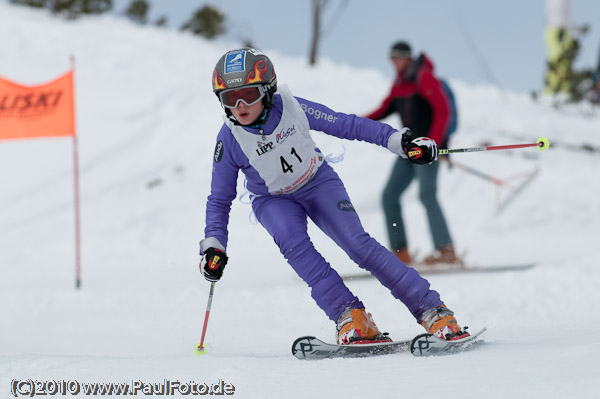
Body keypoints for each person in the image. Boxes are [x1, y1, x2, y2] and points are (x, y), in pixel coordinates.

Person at [199, 47, 469, 345]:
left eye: (248, 94)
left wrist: (398, 141)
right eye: (228, 98)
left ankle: (432, 309)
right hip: (274, 200)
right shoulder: (229, 139)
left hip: (317, 182)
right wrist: (214, 245)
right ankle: (351, 315)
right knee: (296, 247)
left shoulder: (291, 107)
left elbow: (346, 124)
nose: (239, 105)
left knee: (358, 245)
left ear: (267, 90)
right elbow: (219, 199)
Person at [364, 41, 460, 266]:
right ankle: (401, 254)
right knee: (389, 197)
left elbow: (443, 110)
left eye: (397, 58)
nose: (394, 63)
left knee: (427, 195)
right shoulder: (400, 84)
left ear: (407, 58)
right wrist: (352, 122)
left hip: (427, 150)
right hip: (407, 149)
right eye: (392, 59)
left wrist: (434, 144)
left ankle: (446, 251)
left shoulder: (423, 78)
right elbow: (383, 109)